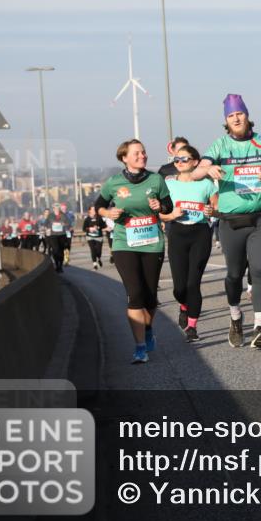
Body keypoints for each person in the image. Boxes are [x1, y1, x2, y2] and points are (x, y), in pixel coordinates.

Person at [193, 94, 261, 349]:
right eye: (230, 115)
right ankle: (235, 317)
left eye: (239, 113)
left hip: (260, 218)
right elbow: (195, 172)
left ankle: (260, 327)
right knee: (234, 275)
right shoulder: (220, 145)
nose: (236, 118)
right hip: (230, 222)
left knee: (259, 269)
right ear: (226, 121)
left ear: (247, 116)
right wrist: (209, 170)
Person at [95, 139, 172, 364]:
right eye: (137, 153)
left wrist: (161, 207)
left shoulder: (156, 179)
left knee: (150, 296)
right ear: (124, 158)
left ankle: (147, 329)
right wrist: (107, 214)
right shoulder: (114, 183)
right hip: (124, 243)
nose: (142, 156)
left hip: (152, 243)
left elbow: (169, 205)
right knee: (135, 295)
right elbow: (98, 205)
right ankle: (139, 347)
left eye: (144, 152)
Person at [159, 144, 218, 342]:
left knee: (193, 284)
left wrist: (212, 212)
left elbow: (217, 208)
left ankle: (192, 327)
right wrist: (170, 215)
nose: (180, 162)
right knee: (179, 288)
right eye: (177, 159)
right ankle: (184, 306)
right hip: (177, 234)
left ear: (195, 162)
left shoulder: (207, 184)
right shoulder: (168, 184)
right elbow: (159, 213)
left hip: (200, 233)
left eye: (184, 159)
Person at [46, 203, 72, 273]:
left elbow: (68, 224)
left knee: (61, 251)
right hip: (53, 235)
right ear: (53, 208)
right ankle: (57, 264)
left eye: (58, 208)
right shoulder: (50, 216)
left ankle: (60, 265)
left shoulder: (63, 215)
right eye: (55, 208)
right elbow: (46, 224)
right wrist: (48, 228)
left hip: (62, 235)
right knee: (55, 250)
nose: (57, 209)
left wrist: (64, 224)